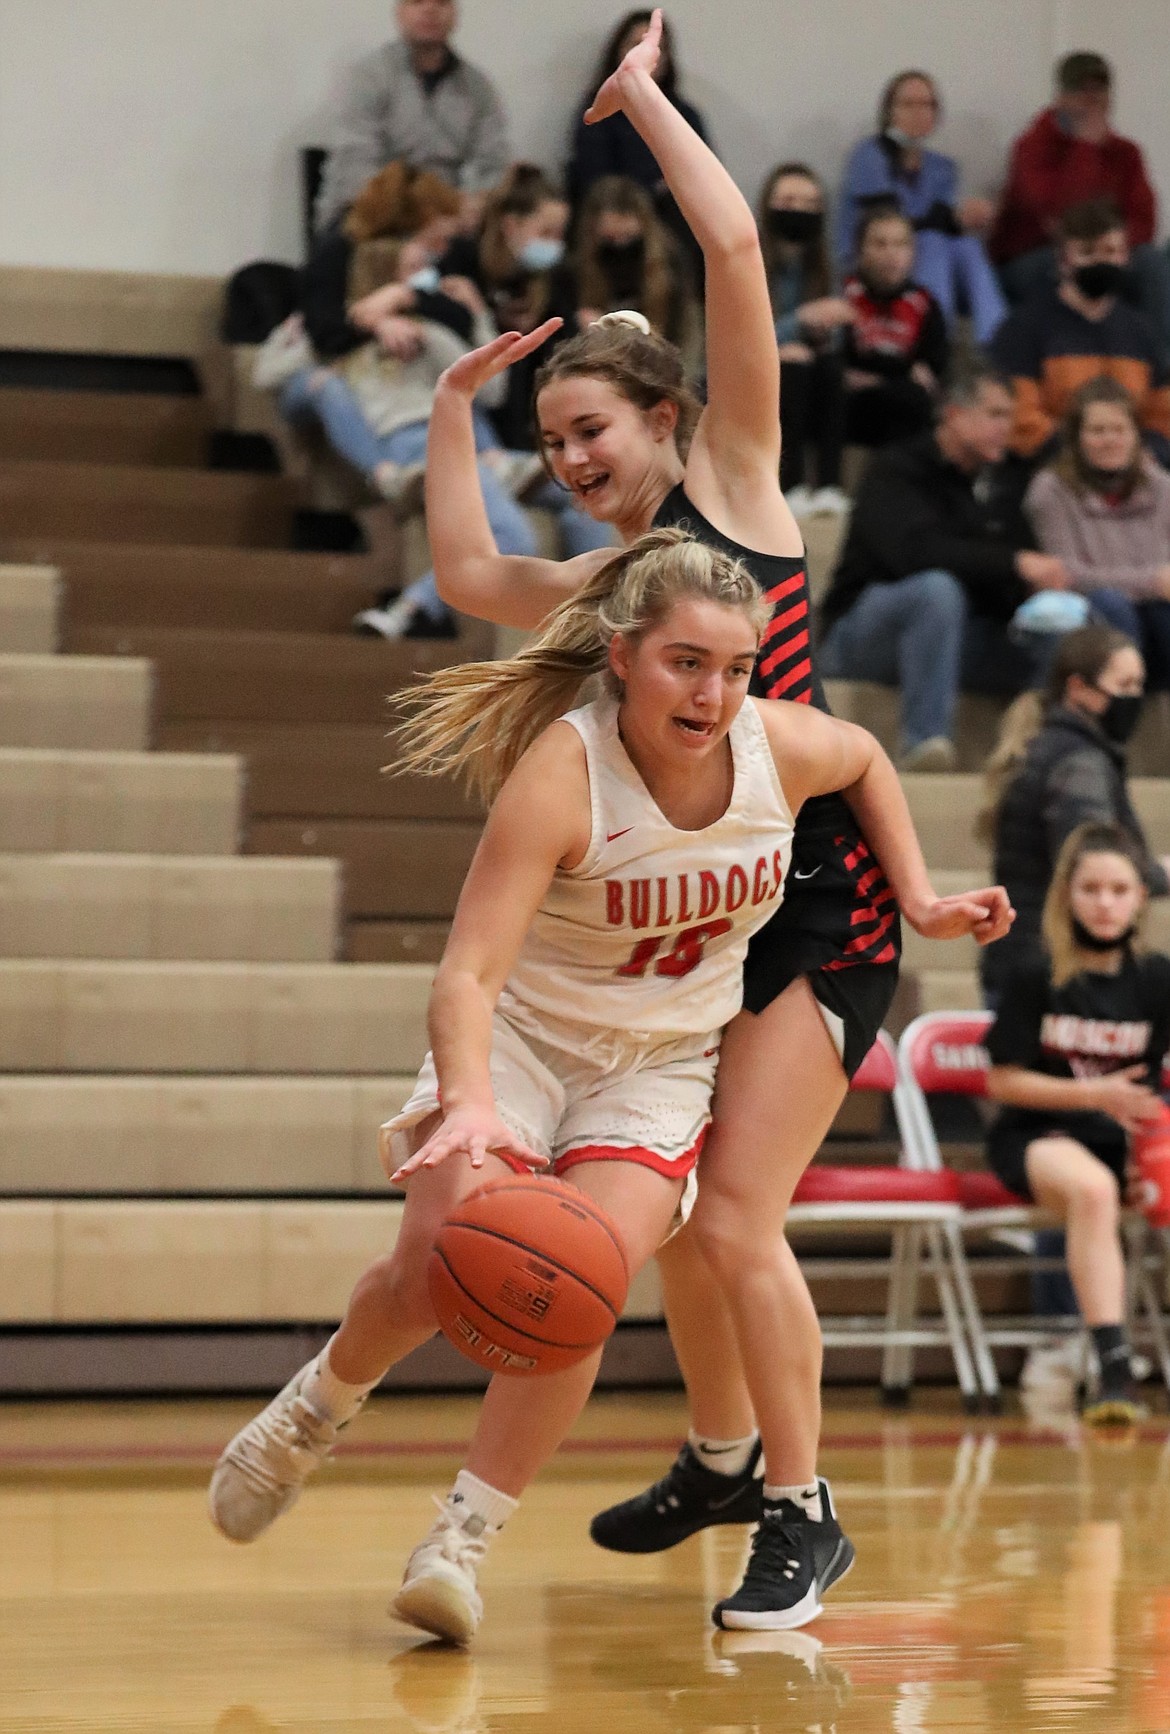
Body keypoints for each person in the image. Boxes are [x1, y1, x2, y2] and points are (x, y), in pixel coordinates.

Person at [416, 12, 1011, 1626]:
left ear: (661, 417)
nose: (573, 458)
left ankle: (803, 1509)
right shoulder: (614, 585)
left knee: (734, 1217)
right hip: (714, 912)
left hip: (827, 912)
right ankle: (727, 1448)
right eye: (553, 444)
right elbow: (471, 578)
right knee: (678, 1215)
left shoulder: (736, 487)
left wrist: (643, 106)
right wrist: (457, 414)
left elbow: (735, 238)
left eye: (586, 428)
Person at [207, 530, 998, 1640]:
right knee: (440, 1264)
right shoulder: (563, 773)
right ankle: (318, 1405)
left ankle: (462, 1539)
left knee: (566, 1285)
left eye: (734, 668)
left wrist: (916, 897)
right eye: (685, 662)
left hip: (660, 1066)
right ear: (623, 655)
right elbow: (468, 975)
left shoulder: (780, 748)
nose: (713, 692)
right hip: (522, 1044)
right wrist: (474, 1104)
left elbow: (867, 754)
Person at [257, 239, 601, 642]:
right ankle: (406, 610)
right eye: (415, 267)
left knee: (583, 494)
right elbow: (268, 375)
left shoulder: (430, 330)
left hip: (465, 438)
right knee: (513, 535)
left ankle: (595, 611)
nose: (428, 276)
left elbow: (489, 390)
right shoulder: (338, 339)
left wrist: (474, 316)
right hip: (410, 445)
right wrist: (348, 327)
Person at [985, 821, 1170, 1425]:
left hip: (1123, 1139)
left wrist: (1152, 1144)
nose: (1106, 903)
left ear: (1141, 896)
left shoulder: (1157, 978)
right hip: (1039, 1135)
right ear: (1068, 895)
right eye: (1091, 888)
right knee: (1091, 1189)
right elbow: (1002, 1080)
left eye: (1120, 890)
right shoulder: (1034, 972)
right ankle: (1115, 1368)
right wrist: (1095, 1094)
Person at [818, 364, 1065, 771]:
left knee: (1056, 625)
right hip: (862, 637)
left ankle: (1041, 762)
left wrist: (1037, 596)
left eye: (1010, 416)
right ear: (953, 414)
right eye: (995, 414)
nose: (1007, 427)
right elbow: (911, 553)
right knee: (936, 590)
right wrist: (1013, 563)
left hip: (951, 641)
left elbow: (1010, 577)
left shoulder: (998, 485)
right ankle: (925, 742)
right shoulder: (895, 468)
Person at [979, 623, 1168, 1002]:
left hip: (1024, 962)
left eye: (1139, 685)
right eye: (1124, 684)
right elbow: (1092, 860)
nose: (1135, 697)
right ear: (1079, 688)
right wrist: (1158, 873)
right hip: (1051, 972)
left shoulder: (1053, 747)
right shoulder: (1079, 763)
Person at [990, 51, 1170, 343]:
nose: (1092, 99)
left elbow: (1144, 219)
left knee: (1151, 265)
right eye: (1081, 90)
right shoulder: (1032, 147)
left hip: (1108, 253)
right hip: (1033, 258)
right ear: (1060, 97)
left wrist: (1110, 249)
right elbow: (1055, 213)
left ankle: (1160, 377)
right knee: (1061, 266)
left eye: (1099, 89)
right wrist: (1085, 148)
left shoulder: (1127, 153)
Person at [993, 199, 1170, 465]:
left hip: (1134, 472)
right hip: (1051, 471)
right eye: (1087, 252)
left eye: (1111, 251)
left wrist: (1148, 453)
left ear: (1125, 257)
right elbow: (1020, 420)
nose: (1102, 262)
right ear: (1064, 261)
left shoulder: (1141, 331)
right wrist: (1089, 455)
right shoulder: (1024, 327)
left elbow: (1163, 414)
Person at [314, 0, 510, 236]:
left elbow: (491, 166)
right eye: (417, 1)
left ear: (455, 13)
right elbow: (355, 167)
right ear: (399, 12)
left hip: (453, 224)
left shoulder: (478, 88)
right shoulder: (368, 77)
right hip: (374, 217)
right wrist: (421, 215)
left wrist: (467, 208)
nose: (430, 10)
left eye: (441, 3)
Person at [837, 71, 1005, 346]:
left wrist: (967, 218)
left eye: (926, 105)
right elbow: (886, 220)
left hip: (927, 258)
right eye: (908, 104)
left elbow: (940, 222)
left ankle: (999, 345)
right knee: (932, 242)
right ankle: (934, 346)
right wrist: (952, 217)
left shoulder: (942, 168)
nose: (918, 112)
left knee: (968, 247)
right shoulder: (870, 155)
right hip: (874, 256)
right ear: (889, 112)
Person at [1026, 375, 1170, 684]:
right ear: (1076, 437)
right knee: (1111, 603)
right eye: (1097, 431)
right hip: (1088, 620)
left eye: (1120, 430)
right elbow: (1066, 574)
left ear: (1136, 435)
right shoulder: (1050, 490)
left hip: (1155, 617)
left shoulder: (1159, 485)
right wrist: (1152, 581)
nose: (1110, 440)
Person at [566, 10, 710, 273]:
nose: (648, 54)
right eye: (636, 45)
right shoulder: (597, 110)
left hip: (671, 225)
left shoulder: (685, 115)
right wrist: (652, 191)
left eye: (658, 47)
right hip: (611, 217)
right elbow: (595, 180)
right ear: (618, 52)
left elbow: (705, 181)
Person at [759, 162, 851, 515]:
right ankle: (791, 483)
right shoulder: (744, 259)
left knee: (830, 365)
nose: (799, 210)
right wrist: (798, 323)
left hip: (813, 373)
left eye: (810, 203)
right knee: (794, 366)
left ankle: (830, 485)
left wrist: (825, 332)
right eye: (789, 200)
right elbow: (738, 339)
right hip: (752, 373)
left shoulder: (828, 265)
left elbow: (839, 334)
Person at [840, 207, 949, 449]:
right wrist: (902, 371)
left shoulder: (925, 304)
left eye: (900, 244)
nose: (891, 254)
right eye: (880, 244)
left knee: (914, 399)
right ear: (861, 250)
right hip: (854, 407)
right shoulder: (844, 294)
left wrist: (878, 378)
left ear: (912, 253)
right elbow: (842, 365)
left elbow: (929, 374)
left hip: (903, 406)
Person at [569, 175, 699, 363]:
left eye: (628, 238)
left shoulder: (669, 262)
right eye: (611, 240)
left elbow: (684, 332)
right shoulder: (577, 270)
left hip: (659, 360)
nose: (620, 249)